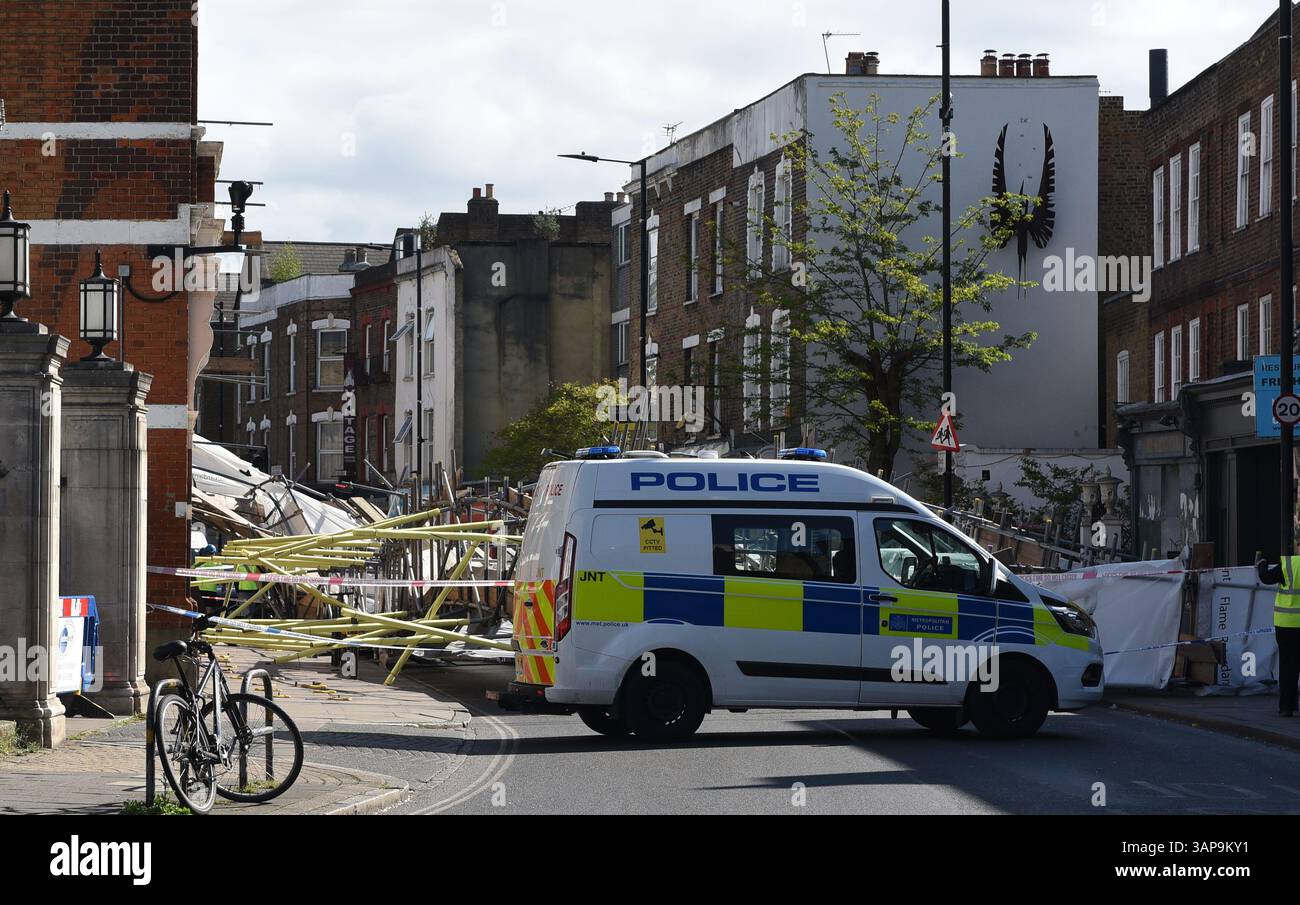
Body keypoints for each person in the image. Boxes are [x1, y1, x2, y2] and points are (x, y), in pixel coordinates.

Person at [1256, 552, 1300, 717]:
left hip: (1286, 624)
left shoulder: (1289, 564)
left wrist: (1262, 563)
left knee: (1288, 666)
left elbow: (1266, 578)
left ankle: (1287, 707)